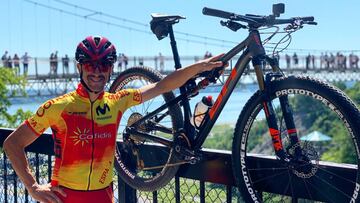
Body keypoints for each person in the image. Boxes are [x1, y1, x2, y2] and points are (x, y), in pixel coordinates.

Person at [3, 35, 224, 203]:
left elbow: (162, 85)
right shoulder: (58, 107)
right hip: (64, 197)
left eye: (104, 65)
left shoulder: (117, 101)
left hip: (103, 196)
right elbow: (12, 143)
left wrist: (199, 67)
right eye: (90, 65)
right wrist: (32, 187)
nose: (97, 72)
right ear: (79, 67)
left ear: (111, 69)